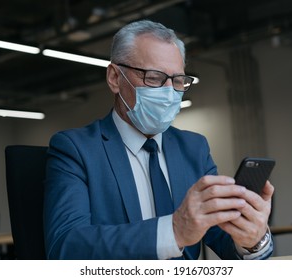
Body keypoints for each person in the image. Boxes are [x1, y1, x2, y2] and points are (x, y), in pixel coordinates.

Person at [43, 19, 274, 260]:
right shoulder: (75, 149)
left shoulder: (194, 148)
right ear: (114, 77)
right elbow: (65, 247)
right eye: (153, 77)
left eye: (177, 81)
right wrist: (173, 232)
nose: (168, 93)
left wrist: (251, 239)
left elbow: (222, 238)